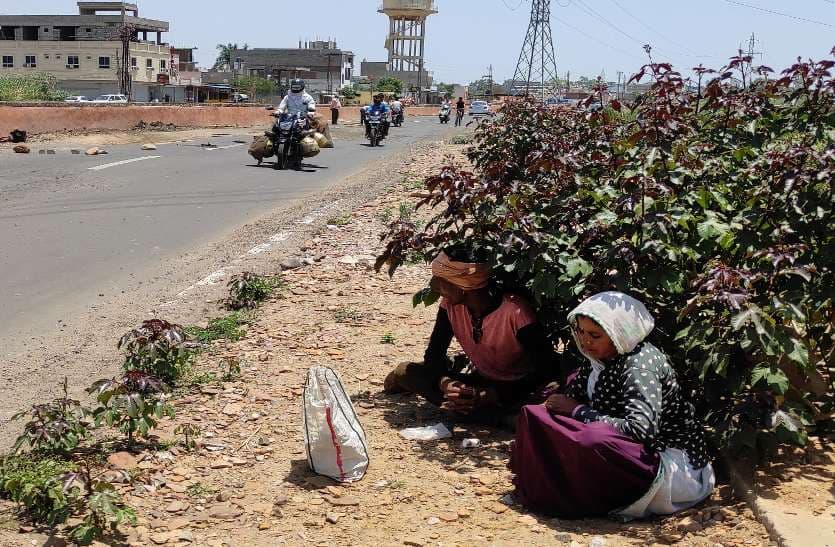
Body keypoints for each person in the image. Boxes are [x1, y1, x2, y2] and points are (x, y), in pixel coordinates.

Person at [509, 292, 715, 519]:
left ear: (619, 334)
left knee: (593, 438)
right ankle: (549, 488)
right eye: (581, 331)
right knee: (534, 415)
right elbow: (571, 401)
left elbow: (641, 430)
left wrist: (579, 411)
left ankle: (585, 498)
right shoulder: (598, 360)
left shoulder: (639, 367)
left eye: (595, 335)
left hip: (665, 462)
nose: (585, 341)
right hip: (620, 445)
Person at [384, 249, 561, 424]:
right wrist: (445, 383)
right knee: (404, 371)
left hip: (516, 387)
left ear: (462, 288)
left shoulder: (515, 312)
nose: (434, 286)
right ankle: (497, 417)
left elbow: (544, 371)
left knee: (551, 390)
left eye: (441, 280)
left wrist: (490, 395)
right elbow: (434, 353)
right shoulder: (451, 306)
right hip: (480, 380)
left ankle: (495, 417)